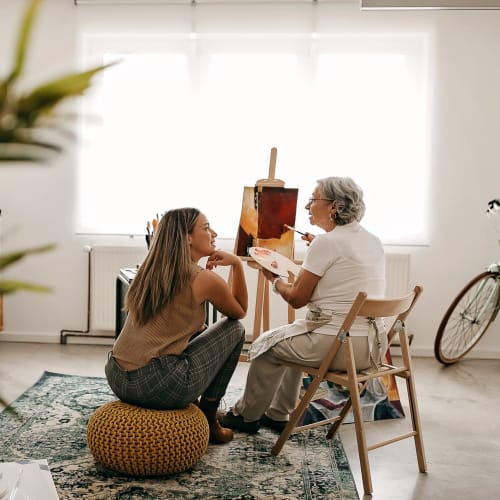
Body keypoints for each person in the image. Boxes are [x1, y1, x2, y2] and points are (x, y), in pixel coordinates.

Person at [220, 176, 386, 434]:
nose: (308, 206)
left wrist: (274, 280)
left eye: (313, 199)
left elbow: (298, 299)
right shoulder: (371, 240)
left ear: (334, 206)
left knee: (267, 346)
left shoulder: (327, 243)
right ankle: (277, 414)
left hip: (340, 347)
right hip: (372, 348)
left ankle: (246, 416)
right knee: (291, 338)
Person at [105, 207, 248, 444]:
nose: (214, 233)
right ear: (187, 237)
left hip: (117, 377)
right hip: (156, 385)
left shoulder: (149, 271)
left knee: (198, 332)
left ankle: (200, 408)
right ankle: (210, 418)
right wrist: (237, 265)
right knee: (235, 330)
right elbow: (239, 312)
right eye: (206, 227)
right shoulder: (202, 278)